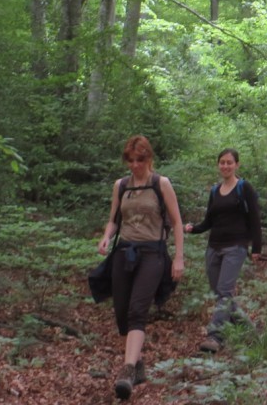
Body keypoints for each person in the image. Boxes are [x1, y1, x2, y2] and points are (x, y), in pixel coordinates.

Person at [98, 135, 185, 401]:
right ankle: (137, 363)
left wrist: (179, 258)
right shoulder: (121, 186)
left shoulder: (161, 184)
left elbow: (177, 223)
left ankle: (126, 372)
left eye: (140, 159)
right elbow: (114, 219)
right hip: (125, 252)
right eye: (130, 160)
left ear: (149, 158)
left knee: (137, 310)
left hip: (153, 254)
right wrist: (106, 236)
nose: (135, 165)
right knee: (122, 312)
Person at [184, 149, 263, 354]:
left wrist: (256, 247)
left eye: (229, 162)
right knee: (220, 293)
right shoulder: (214, 191)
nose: (225, 166)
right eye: (222, 162)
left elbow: (254, 218)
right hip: (214, 247)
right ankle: (248, 329)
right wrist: (194, 229)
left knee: (225, 292)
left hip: (235, 247)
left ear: (237, 165)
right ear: (218, 165)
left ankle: (215, 336)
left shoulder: (244, 188)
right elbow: (209, 220)